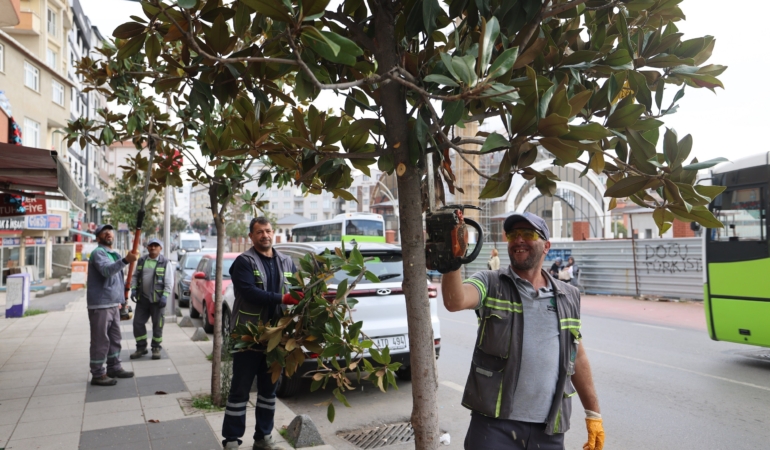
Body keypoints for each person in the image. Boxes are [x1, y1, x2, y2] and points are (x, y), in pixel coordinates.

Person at [441, 212, 604, 450]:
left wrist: (593, 414)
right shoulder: (491, 283)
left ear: (546, 246)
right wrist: (452, 259)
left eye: (527, 234)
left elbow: (576, 355)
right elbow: (455, 301)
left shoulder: (569, 296)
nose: (518, 240)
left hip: (549, 430)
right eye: (513, 235)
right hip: (494, 427)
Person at [222, 217, 300, 450]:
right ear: (251, 236)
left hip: (277, 338)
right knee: (240, 390)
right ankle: (232, 440)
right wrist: (283, 298)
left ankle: (263, 437)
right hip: (249, 337)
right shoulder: (243, 262)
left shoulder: (287, 262)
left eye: (267, 231)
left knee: (268, 391)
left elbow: (296, 290)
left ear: (273, 233)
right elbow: (248, 292)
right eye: (259, 232)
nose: (264, 235)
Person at [87, 224, 137, 386]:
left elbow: (119, 280)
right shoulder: (98, 253)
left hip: (114, 303)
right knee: (100, 340)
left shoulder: (113, 253)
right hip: (101, 304)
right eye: (104, 232)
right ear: (98, 237)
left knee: (115, 338)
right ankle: (98, 373)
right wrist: (125, 261)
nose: (108, 233)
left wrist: (122, 301)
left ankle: (114, 367)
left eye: (110, 231)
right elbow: (107, 271)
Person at [130, 238, 172, 360]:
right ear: (147, 247)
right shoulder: (142, 260)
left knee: (157, 325)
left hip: (157, 300)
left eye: (156, 246)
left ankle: (156, 348)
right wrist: (133, 288)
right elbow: (135, 276)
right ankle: (141, 348)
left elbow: (169, 281)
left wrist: (165, 295)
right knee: (137, 323)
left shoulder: (165, 262)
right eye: (151, 246)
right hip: (142, 299)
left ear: (160, 248)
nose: (153, 248)